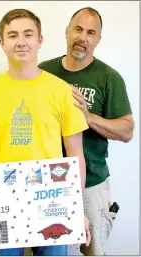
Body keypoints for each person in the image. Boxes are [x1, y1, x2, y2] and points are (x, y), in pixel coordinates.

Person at [0, 8, 91, 256]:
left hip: (53, 204)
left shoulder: (62, 91)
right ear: (2, 43)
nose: (21, 41)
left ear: (40, 40)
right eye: (13, 35)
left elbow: (76, 154)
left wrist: (77, 209)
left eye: (28, 34)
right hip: (2, 204)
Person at [38, 7, 134, 256]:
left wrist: (88, 118)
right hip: (43, 182)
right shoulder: (43, 71)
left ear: (98, 39)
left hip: (90, 184)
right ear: (67, 32)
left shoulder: (108, 77)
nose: (83, 37)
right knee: (42, 249)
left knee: (92, 250)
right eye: (78, 29)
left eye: (91, 32)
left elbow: (127, 131)